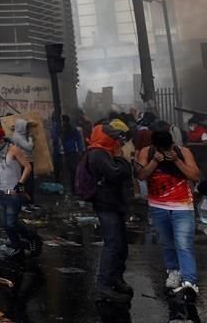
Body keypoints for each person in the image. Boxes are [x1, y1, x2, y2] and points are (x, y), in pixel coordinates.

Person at [136, 122, 201, 300]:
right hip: (158, 206)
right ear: (155, 146)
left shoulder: (182, 152)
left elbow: (195, 175)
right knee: (166, 241)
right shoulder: (147, 153)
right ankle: (174, 272)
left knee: (184, 243)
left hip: (182, 205)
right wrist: (154, 162)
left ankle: (189, 281)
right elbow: (141, 175)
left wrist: (177, 160)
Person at [86, 119, 134, 303]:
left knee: (121, 245)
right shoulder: (98, 153)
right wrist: (122, 158)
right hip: (107, 205)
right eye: (112, 138)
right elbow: (116, 174)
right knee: (113, 244)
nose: (117, 142)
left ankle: (116, 278)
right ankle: (104, 285)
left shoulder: (104, 151)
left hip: (114, 203)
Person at [0, 125, 42, 261]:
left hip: (13, 193)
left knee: (11, 223)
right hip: (3, 192)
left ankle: (32, 238)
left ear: (1, 139)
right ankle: (17, 247)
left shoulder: (13, 149)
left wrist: (20, 183)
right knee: (5, 224)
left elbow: (27, 167)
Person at [10, 117, 38, 211]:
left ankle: (30, 203)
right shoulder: (18, 136)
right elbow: (29, 147)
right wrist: (30, 138)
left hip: (28, 160)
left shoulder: (21, 135)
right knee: (24, 183)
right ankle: (23, 204)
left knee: (30, 183)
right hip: (23, 162)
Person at [59, 115, 86, 191]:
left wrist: (80, 150)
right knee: (69, 171)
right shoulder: (65, 129)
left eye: (63, 121)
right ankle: (71, 188)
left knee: (71, 171)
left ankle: (73, 188)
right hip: (68, 153)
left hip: (70, 153)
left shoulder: (71, 129)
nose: (62, 122)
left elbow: (78, 140)